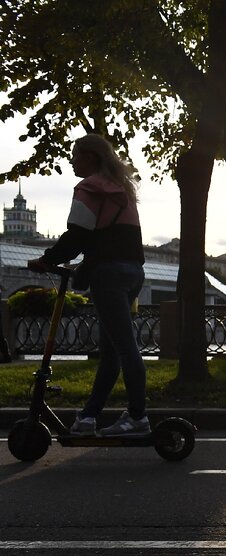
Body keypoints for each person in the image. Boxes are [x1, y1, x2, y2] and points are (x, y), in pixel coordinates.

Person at [26, 133, 147, 436]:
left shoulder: (89, 188)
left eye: (76, 154)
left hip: (108, 277)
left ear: (92, 157)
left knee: (125, 348)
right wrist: (85, 264)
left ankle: (137, 417)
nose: (71, 160)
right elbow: (113, 240)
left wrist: (47, 259)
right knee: (112, 352)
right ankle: (89, 417)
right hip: (132, 272)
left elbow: (77, 236)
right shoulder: (121, 190)